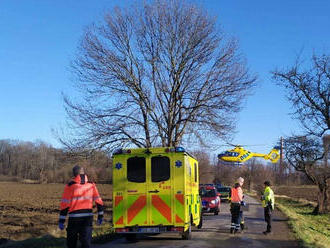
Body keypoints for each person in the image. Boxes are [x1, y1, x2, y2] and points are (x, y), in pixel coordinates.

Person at [59, 165, 104, 248]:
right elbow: (99, 201)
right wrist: (100, 216)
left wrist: (61, 220)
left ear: (74, 174)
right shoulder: (91, 185)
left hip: (74, 219)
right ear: (83, 173)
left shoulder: (70, 186)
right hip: (87, 219)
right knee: (86, 243)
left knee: (71, 243)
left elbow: (65, 205)